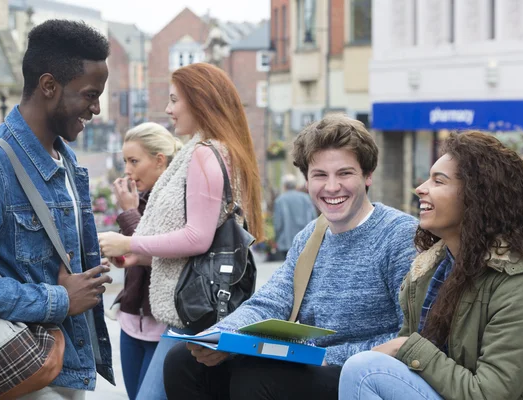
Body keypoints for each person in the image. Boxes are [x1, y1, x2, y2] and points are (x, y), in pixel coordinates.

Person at [162, 114, 419, 400]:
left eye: (345, 174)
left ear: (368, 175)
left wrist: (325, 356)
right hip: (308, 362)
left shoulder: (400, 235)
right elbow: (271, 301)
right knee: (182, 362)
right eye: (320, 175)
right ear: (307, 180)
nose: (331, 187)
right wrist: (221, 336)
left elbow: (411, 337)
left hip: (364, 370)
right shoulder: (311, 235)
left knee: (259, 378)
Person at [0, 20, 114, 399]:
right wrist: (58, 300)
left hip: (60, 367)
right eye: (90, 94)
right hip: (12, 369)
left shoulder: (67, 161)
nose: (96, 108)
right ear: (49, 86)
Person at [98, 62, 264, 400]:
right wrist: (137, 256)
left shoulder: (206, 154)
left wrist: (128, 240)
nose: (168, 109)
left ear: (199, 99)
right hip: (197, 303)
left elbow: (197, 237)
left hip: (190, 308)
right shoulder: (215, 150)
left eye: (174, 100)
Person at [339, 131, 523, 400]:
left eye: (439, 181)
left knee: (365, 370)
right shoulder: (427, 272)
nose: (421, 188)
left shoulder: (516, 281)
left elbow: (490, 393)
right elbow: (401, 366)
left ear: (477, 196)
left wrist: (408, 347)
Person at [108, 122, 183, 400]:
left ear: (159, 161)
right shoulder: (139, 198)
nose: (127, 169)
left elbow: (157, 251)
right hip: (131, 320)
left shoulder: (175, 199)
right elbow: (136, 252)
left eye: (134, 161)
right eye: (125, 161)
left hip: (160, 324)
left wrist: (128, 211)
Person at [273, 173, 317, 260]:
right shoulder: (306, 198)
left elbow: (278, 223)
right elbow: (314, 217)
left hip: (286, 242)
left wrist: (277, 237)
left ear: (284, 186)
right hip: (306, 241)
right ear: (295, 185)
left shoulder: (280, 200)